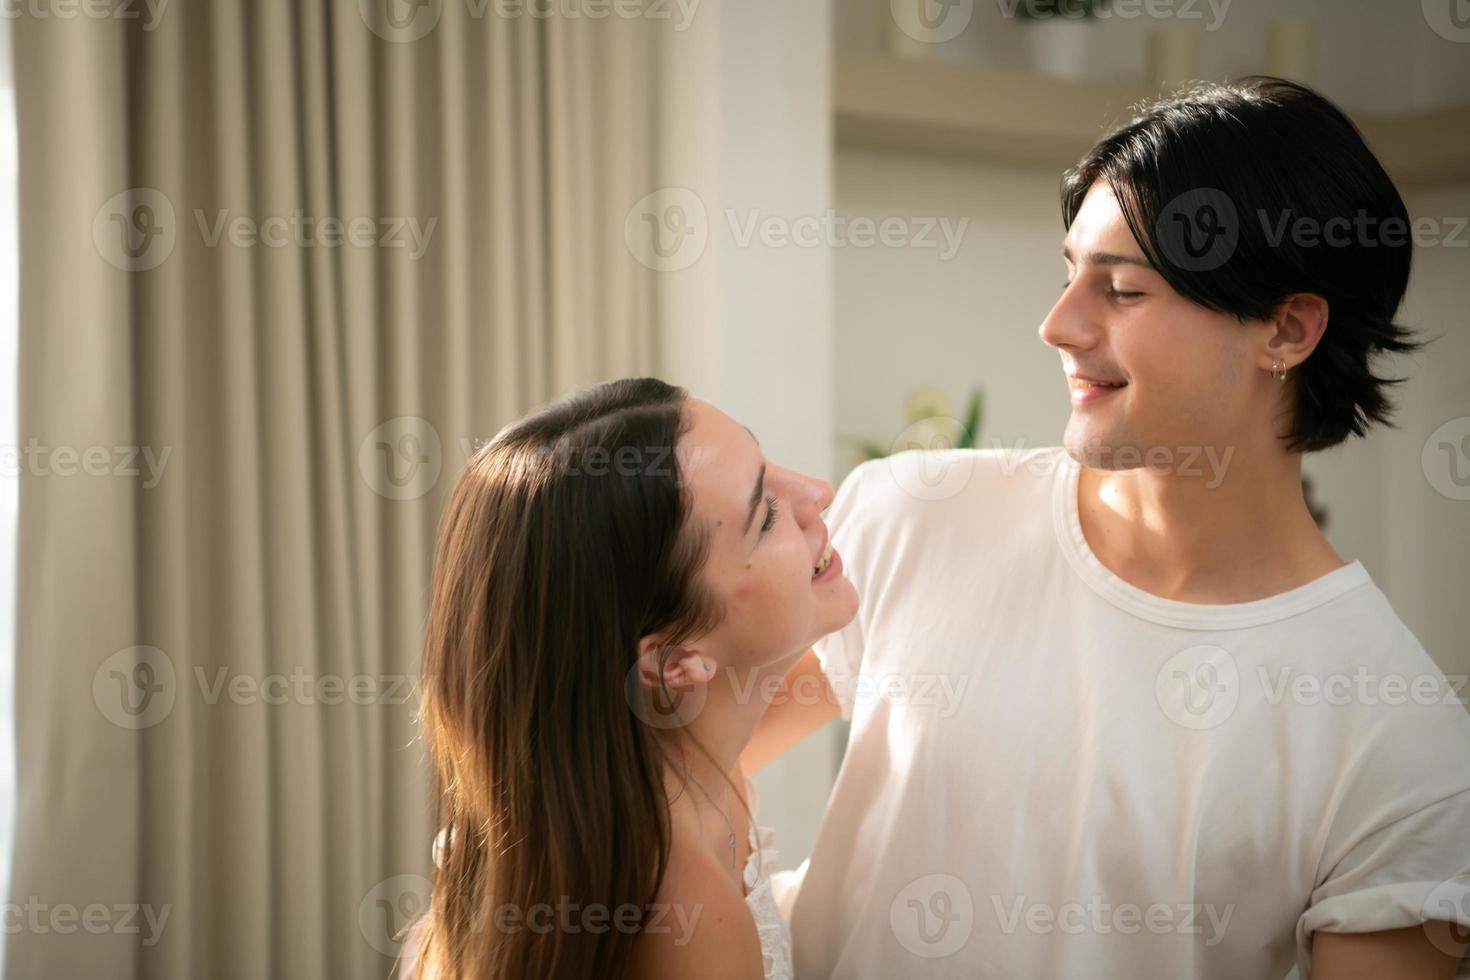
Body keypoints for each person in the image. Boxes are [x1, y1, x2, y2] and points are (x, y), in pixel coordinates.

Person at [750, 77, 1470, 978]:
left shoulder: (1398, 741)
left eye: (1122, 290)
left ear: (1287, 329)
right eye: (1067, 273)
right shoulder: (909, 517)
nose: (1058, 325)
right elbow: (658, 773)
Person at [401, 377, 858, 979]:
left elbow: (847, 671)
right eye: (767, 513)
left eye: (765, 461)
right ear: (673, 661)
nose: (818, 492)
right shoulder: (688, 921)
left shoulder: (647, 758)